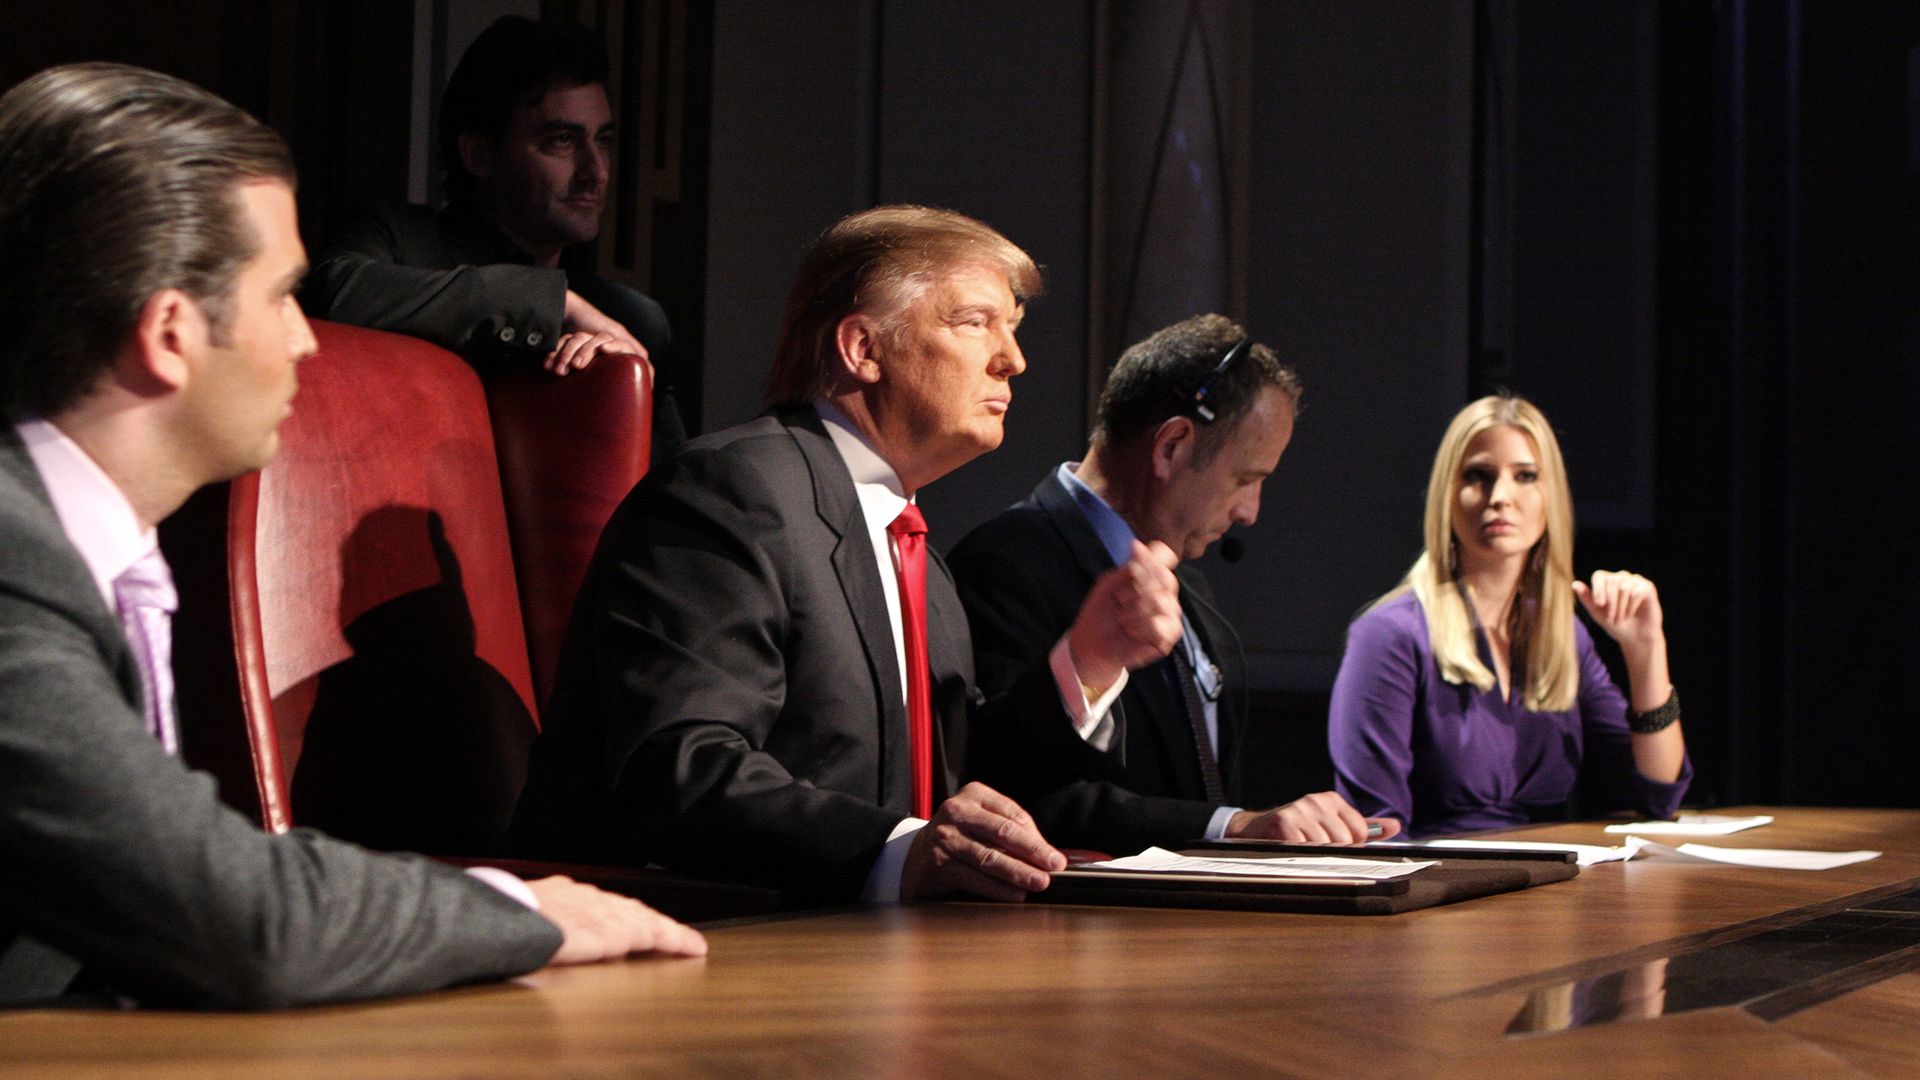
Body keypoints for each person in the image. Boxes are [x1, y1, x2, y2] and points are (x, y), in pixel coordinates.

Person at [0, 62, 703, 1010]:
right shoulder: (15, 565)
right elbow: (233, 917)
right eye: (283, 295)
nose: (306, 338)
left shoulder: (79, 549)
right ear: (170, 333)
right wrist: (534, 914)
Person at [512, 206, 1187, 903]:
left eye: (1012, 330)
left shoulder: (912, 542)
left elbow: (957, 783)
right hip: (707, 942)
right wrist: (897, 852)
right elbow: (680, 769)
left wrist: (1090, 658)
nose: (1012, 359)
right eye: (975, 322)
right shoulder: (730, 494)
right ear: (863, 349)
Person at [950, 315, 1395, 855]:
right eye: (1246, 479)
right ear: (1172, 447)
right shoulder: (1003, 563)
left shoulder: (1191, 586)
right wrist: (1232, 826)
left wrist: (1250, 829)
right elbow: (1012, 793)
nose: (1250, 512)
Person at [302, 15, 686, 455]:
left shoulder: (633, 318)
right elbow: (334, 293)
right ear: (480, 154)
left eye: (603, 141)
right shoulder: (397, 238)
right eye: (563, 140)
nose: (595, 172)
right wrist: (553, 305)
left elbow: (665, 492)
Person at [1327, 394, 1691, 836]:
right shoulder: (1389, 634)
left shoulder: (1562, 635)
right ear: (1447, 494)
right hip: (1438, 890)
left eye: (1525, 476)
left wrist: (1645, 650)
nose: (1500, 497)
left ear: (1550, 495)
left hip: (1547, 888)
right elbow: (1377, 830)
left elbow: (1656, 793)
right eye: (1478, 476)